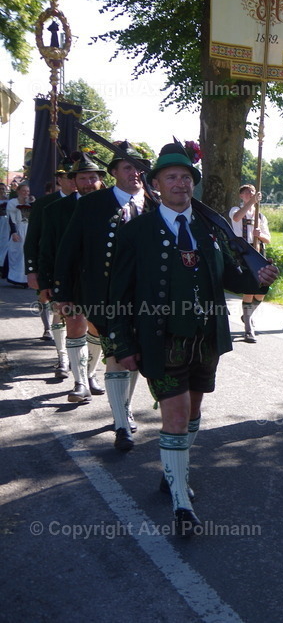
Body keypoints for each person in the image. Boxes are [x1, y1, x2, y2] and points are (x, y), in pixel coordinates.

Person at [108, 141, 279, 536]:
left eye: (186, 177)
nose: (181, 183)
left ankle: (173, 471)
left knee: (195, 412)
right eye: (172, 177)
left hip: (206, 338)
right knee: (177, 414)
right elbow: (117, 293)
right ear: (155, 185)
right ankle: (181, 503)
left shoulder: (210, 230)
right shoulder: (137, 231)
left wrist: (258, 278)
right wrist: (123, 345)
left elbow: (227, 279)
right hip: (160, 339)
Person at [52, 141, 155, 450]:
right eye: (128, 167)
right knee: (115, 356)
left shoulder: (155, 204)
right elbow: (68, 250)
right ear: (113, 173)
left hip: (146, 298)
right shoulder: (92, 204)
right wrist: (63, 292)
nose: (135, 173)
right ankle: (122, 422)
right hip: (105, 297)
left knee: (134, 356)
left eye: (140, 168)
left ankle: (124, 409)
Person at [40, 152, 106, 402]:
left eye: (93, 177)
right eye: (83, 178)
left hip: (102, 280)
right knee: (75, 325)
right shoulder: (56, 210)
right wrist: (46, 284)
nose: (89, 182)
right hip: (70, 279)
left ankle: (90, 374)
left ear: (100, 180)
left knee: (98, 329)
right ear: (73, 181)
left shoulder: (111, 206)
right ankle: (79, 383)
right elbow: (47, 249)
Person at [25, 164, 76, 364]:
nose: (73, 181)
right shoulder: (45, 204)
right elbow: (32, 240)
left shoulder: (88, 202)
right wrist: (32, 270)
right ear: (59, 180)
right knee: (58, 312)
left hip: (80, 269)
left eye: (75, 177)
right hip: (53, 267)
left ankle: (79, 361)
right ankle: (62, 356)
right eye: (68, 177)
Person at [228, 184, 271, 342]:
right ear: (241, 196)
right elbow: (237, 217)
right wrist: (251, 202)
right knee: (249, 287)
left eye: (252, 192)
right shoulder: (235, 210)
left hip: (259, 253)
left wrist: (260, 235)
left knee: (261, 290)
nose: (249, 193)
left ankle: (248, 315)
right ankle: (248, 329)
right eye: (246, 192)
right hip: (244, 254)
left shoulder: (260, 216)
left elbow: (269, 239)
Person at [5, 182, 32, 287]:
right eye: (24, 191)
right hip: (19, 229)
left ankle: (26, 279)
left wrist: (31, 203)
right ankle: (16, 277)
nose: (26, 193)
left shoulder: (30, 202)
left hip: (28, 229)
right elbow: (11, 218)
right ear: (18, 191)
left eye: (28, 191)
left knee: (27, 254)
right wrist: (14, 232)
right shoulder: (12, 202)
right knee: (17, 253)